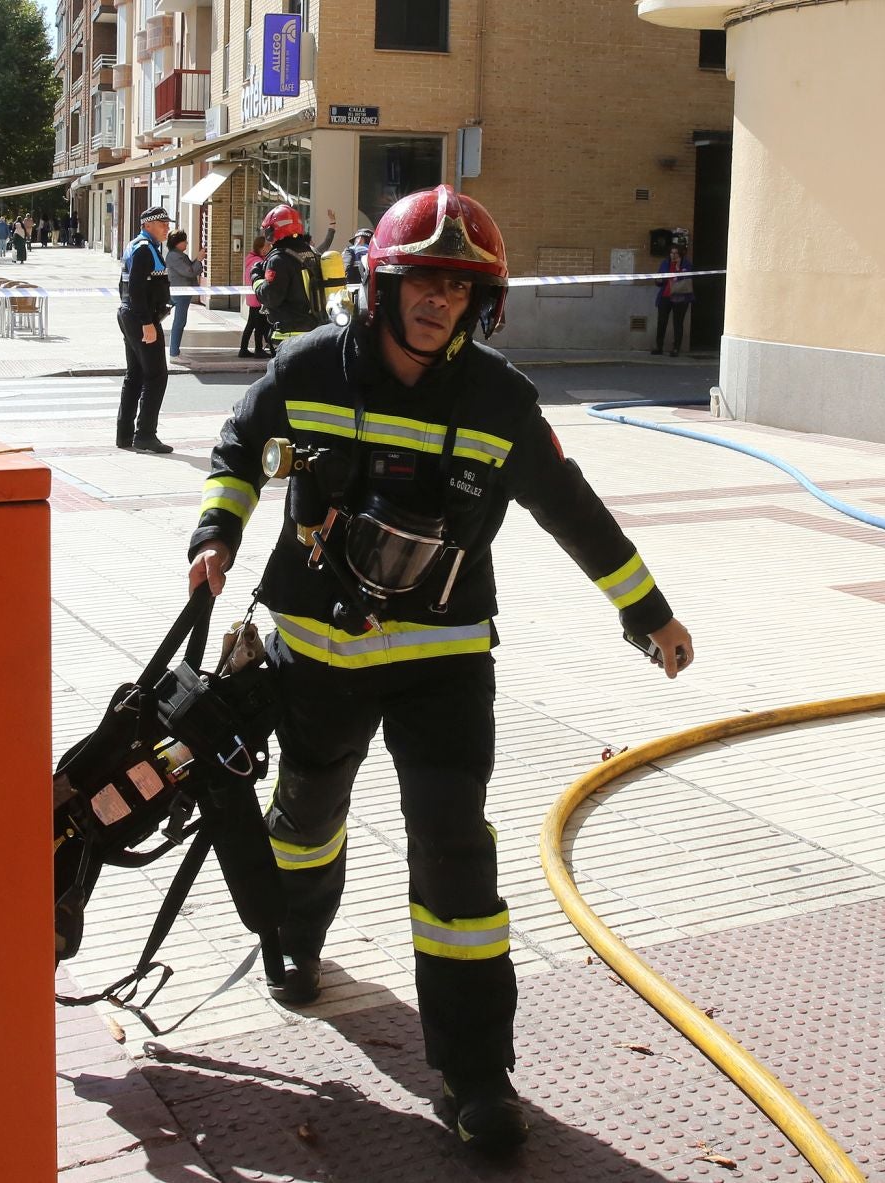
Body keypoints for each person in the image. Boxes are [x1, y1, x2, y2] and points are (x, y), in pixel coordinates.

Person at [186, 184, 693, 1152]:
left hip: (444, 664)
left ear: (479, 303)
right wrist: (218, 527)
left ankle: (475, 1072)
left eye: (459, 291)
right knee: (304, 816)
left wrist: (650, 612)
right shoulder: (305, 369)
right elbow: (239, 444)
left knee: (456, 852)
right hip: (318, 654)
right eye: (422, 281)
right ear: (383, 284)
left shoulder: (500, 401)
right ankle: (293, 940)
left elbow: (569, 507)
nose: (438, 304)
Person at [116, 206, 173, 453]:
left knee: (136, 375)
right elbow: (136, 289)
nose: (167, 228)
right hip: (141, 318)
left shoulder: (141, 246)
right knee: (157, 376)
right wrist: (146, 323)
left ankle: (125, 435)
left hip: (132, 315)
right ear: (147, 225)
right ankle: (146, 435)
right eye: (162, 224)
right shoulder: (143, 250)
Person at [254, 205, 340, 347]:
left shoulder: (279, 260)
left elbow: (270, 297)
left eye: (268, 229)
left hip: (290, 337)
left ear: (275, 230)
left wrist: (256, 278)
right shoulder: (311, 253)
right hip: (315, 331)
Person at [164, 228, 201, 359]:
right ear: (177, 243)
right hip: (180, 293)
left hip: (183, 292)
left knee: (180, 321)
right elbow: (190, 271)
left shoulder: (180, 255)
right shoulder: (174, 256)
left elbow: (191, 267)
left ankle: (175, 351)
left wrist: (198, 259)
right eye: (184, 241)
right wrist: (200, 260)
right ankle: (174, 352)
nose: (186, 243)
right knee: (179, 322)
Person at [651, 241, 693, 357]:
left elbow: (687, 279)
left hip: (680, 297)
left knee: (678, 323)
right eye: (671, 253)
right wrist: (659, 280)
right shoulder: (665, 263)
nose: (673, 255)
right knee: (662, 321)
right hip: (665, 296)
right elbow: (659, 277)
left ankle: (676, 348)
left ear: (680, 255)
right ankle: (659, 346)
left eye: (676, 253)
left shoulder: (686, 264)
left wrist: (679, 267)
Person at [239, 234, 273, 359]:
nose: (270, 247)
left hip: (252, 298)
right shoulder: (258, 262)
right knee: (259, 325)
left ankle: (243, 349)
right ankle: (258, 349)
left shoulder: (251, 258)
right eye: (268, 245)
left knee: (251, 324)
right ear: (261, 248)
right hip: (258, 298)